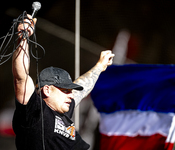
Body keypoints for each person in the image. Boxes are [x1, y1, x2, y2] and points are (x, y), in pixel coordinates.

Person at [12, 14, 114, 150]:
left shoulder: (63, 110)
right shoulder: (35, 111)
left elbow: (83, 87)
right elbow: (21, 78)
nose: (71, 95)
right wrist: (22, 38)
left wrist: (99, 67)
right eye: (65, 90)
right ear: (47, 90)